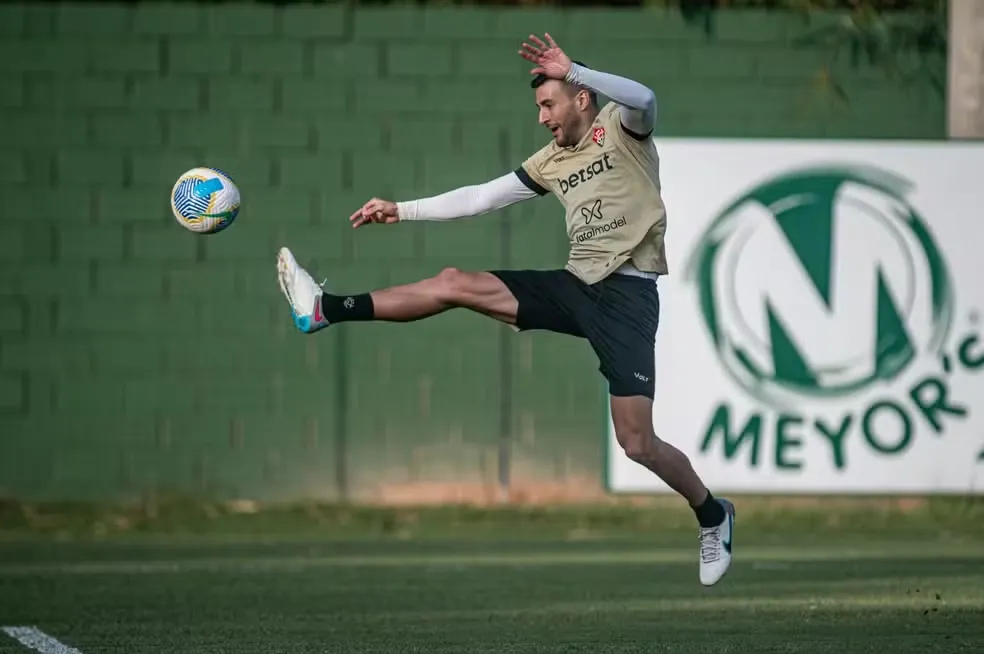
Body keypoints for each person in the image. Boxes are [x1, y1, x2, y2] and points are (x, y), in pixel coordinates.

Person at [275, 34, 735, 586]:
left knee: (637, 443)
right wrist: (403, 209)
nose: (542, 117)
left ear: (581, 97)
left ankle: (712, 514)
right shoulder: (549, 162)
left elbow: (646, 97)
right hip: (575, 285)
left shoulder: (620, 127)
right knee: (453, 283)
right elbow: (479, 198)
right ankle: (325, 308)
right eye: (539, 107)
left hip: (627, 297)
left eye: (549, 103)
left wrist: (578, 69)